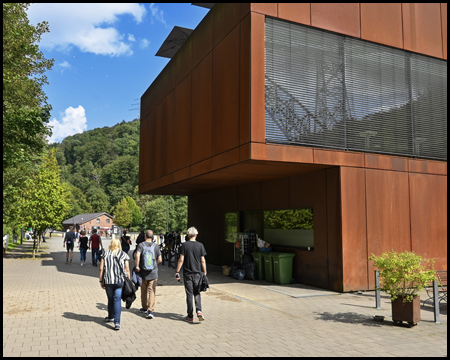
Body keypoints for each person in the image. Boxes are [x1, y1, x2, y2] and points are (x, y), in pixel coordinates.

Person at [175, 227, 207, 323]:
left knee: (189, 294)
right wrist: (204, 272)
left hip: (187, 273)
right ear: (196, 235)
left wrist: (177, 271)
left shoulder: (184, 245)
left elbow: (181, 259)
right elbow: (202, 260)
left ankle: (190, 316)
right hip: (198, 273)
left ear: (188, 235)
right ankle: (199, 311)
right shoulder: (200, 245)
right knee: (197, 292)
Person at [99, 238, 130, 331]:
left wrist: (101, 280)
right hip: (119, 281)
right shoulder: (123, 254)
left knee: (110, 299)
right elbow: (127, 269)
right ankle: (117, 323)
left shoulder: (105, 254)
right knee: (117, 300)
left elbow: (101, 268)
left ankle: (110, 317)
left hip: (108, 281)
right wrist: (128, 280)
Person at [134, 230, 162, 319]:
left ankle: (144, 308)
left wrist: (137, 266)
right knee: (152, 291)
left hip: (143, 272)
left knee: (144, 291)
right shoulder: (156, 246)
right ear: (152, 237)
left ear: (145, 236)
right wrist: (154, 265)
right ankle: (151, 311)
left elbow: (137, 255)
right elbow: (160, 259)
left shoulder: (141, 245)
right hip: (153, 272)